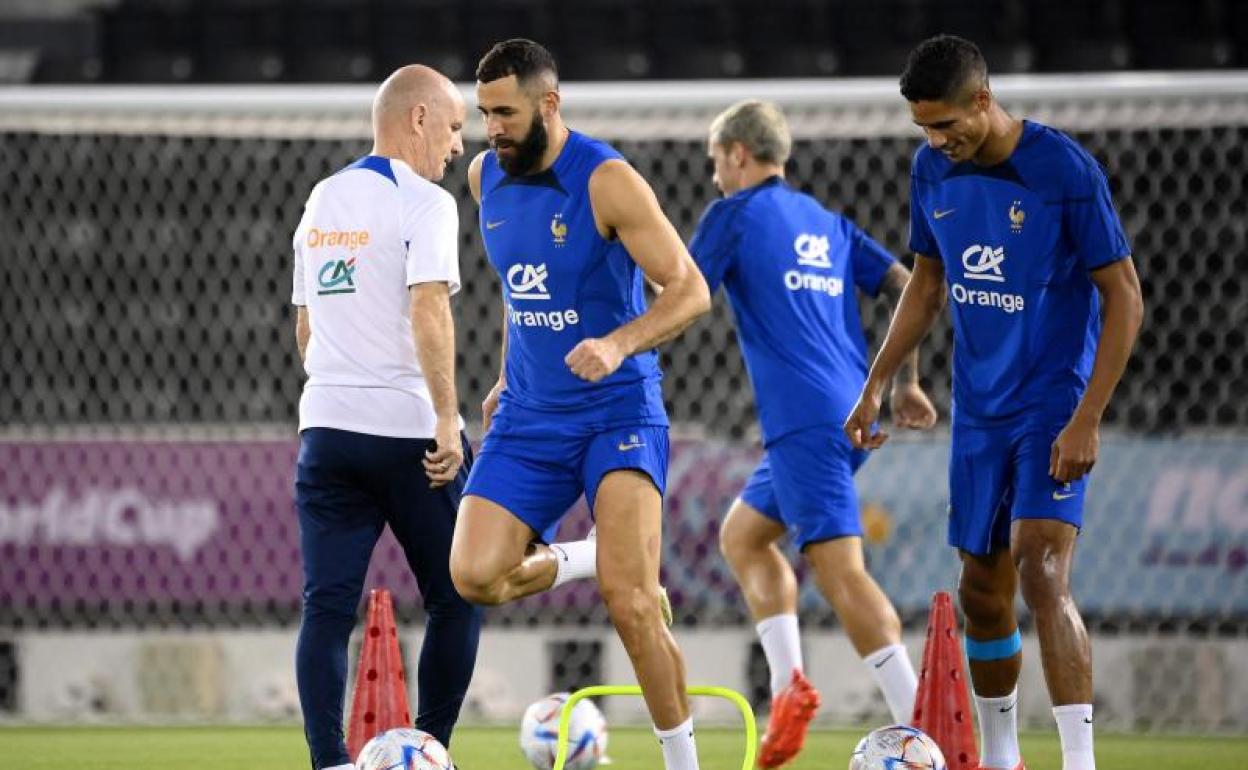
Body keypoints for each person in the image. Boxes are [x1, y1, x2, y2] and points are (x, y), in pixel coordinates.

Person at [844, 35, 1144, 770]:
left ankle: (1079, 760)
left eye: (947, 124)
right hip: (980, 408)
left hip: (1053, 400)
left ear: (983, 99)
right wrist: (877, 381)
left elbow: (1125, 297)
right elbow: (925, 282)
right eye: (924, 128)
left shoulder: (1064, 169)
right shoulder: (930, 169)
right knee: (981, 588)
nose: (937, 140)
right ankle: (1002, 755)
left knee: (1040, 565)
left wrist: (1087, 417)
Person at [447, 39, 711, 770]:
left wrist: (620, 343)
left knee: (631, 605)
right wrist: (506, 372)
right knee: (473, 576)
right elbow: (519, 290)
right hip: (531, 415)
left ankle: (681, 763)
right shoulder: (482, 177)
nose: (491, 128)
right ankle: (593, 554)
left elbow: (690, 290)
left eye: (505, 112)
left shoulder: (607, 180)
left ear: (548, 104)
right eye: (484, 114)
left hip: (616, 411)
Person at [688, 100, 937, 768]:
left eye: (716, 162)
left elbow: (683, 292)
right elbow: (907, 284)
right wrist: (905, 381)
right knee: (744, 536)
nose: (714, 177)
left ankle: (924, 736)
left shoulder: (733, 217)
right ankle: (790, 687)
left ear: (739, 153)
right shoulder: (826, 223)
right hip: (852, 411)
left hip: (803, 421)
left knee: (842, 574)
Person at [290, 65, 479, 770]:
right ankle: (430, 752)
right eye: (456, 126)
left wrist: (337, 393)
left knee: (327, 609)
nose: (459, 145)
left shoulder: (321, 198)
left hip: (328, 432)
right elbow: (429, 306)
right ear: (420, 118)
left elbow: (306, 326)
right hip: (408, 435)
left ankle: (329, 763)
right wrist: (446, 418)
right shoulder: (424, 203)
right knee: (457, 597)